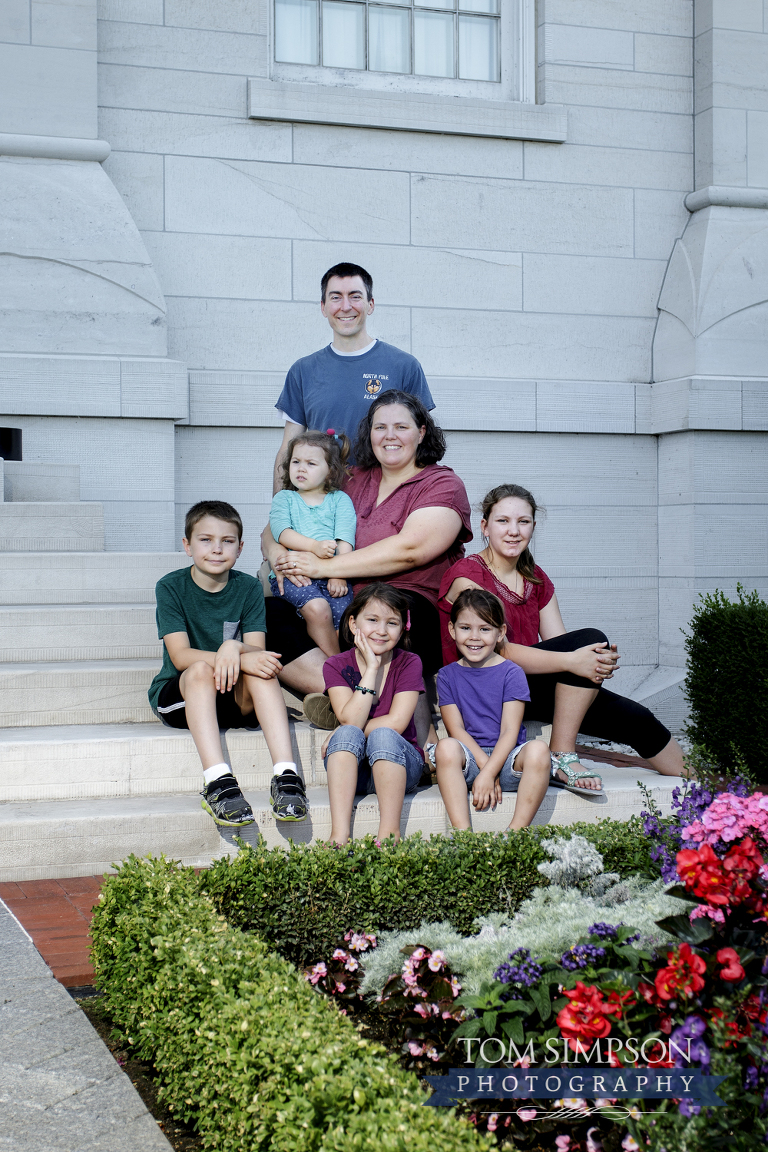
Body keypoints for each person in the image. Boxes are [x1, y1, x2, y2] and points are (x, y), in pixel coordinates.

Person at [438, 483, 688, 780]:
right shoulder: (467, 576)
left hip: (522, 686)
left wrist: (591, 662)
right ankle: (562, 755)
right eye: (503, 521)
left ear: (533, 526)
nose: (513, 530)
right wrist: (575, 660)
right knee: (589, 642)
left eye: (523, 521)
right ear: (485, 526)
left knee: (636, 718)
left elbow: (558, 644)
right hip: (480, 688)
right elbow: (497, 649)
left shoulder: (536, 579)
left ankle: (703, 785)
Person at [264, 391, 472, 738]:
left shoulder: (441, 484)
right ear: (369, 433)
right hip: (341, 602)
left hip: (409, 605)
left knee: (392, 610)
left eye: (401, 426)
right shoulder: (352, 478)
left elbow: (410, 549)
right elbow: (274, 526)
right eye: (380, 427)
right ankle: (347, 698)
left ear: (422, 432)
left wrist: (323, 568)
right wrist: (279, 557)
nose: (390, 435)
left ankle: (378, 716)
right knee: (266, 615)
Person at [148, 500, 308, 826]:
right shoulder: (171, 587)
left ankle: (286, 776)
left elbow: (258, 654)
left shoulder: (248, 587)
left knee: (262, 674)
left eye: (228, 541)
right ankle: (218, 781)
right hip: (183, 694)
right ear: (187, 545)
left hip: (233, 697)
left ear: (240, 547)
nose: (217, 549)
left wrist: (234, 646)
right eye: (205, 540)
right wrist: (225, 653)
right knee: (198, 670)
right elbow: (180, 656)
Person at [272, 262, 434, 488]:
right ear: (323, 306)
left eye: (355, 296)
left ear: (371, 304)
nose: (345, 306)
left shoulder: (404, 366)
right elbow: (287, 451)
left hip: (385, 502)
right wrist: (279, 513)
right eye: (336, 297)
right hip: (321, 503)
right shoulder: (303, 370)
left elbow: (423, 446)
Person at [433, 589, 560, 833]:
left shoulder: (512, 673)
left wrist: (492, 771)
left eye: (485, 629)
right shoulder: (448, 675)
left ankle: (516, 833)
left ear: (500, 633)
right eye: (465, 628)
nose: (474, 637)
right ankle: (463, 835)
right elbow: (456, 729)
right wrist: (484, 771)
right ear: (452, 630)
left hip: (508, 759)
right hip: (470, 759)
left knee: (539, 750)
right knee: (446, 746)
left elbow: (510, 731)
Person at [322, 584, 425, 844]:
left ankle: (390, 836)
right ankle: (339, 836)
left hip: (399, 766)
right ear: (354, 623)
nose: (381, 630)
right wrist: (371, 669)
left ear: (403, 628)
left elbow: (397, 723)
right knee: (347, 732)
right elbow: (351, 722)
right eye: (372, 620)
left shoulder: (409, 662)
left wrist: (341, 729)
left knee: (381, 735)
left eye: (392, 623)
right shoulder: (335, 665)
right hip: (353, 771)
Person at [269, 429, 356, 657]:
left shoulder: (340, 500)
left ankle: (337, 664)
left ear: (330, 471)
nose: (301, 468)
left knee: (343, 615)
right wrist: (314, 547)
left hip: (332, 574)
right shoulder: (285, 498)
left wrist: (339, 573)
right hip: (295, 575)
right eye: (296, 461)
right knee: (318, 608)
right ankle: (338, 665)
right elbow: (282, 533)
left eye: (311, 463)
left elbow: (345, 539)